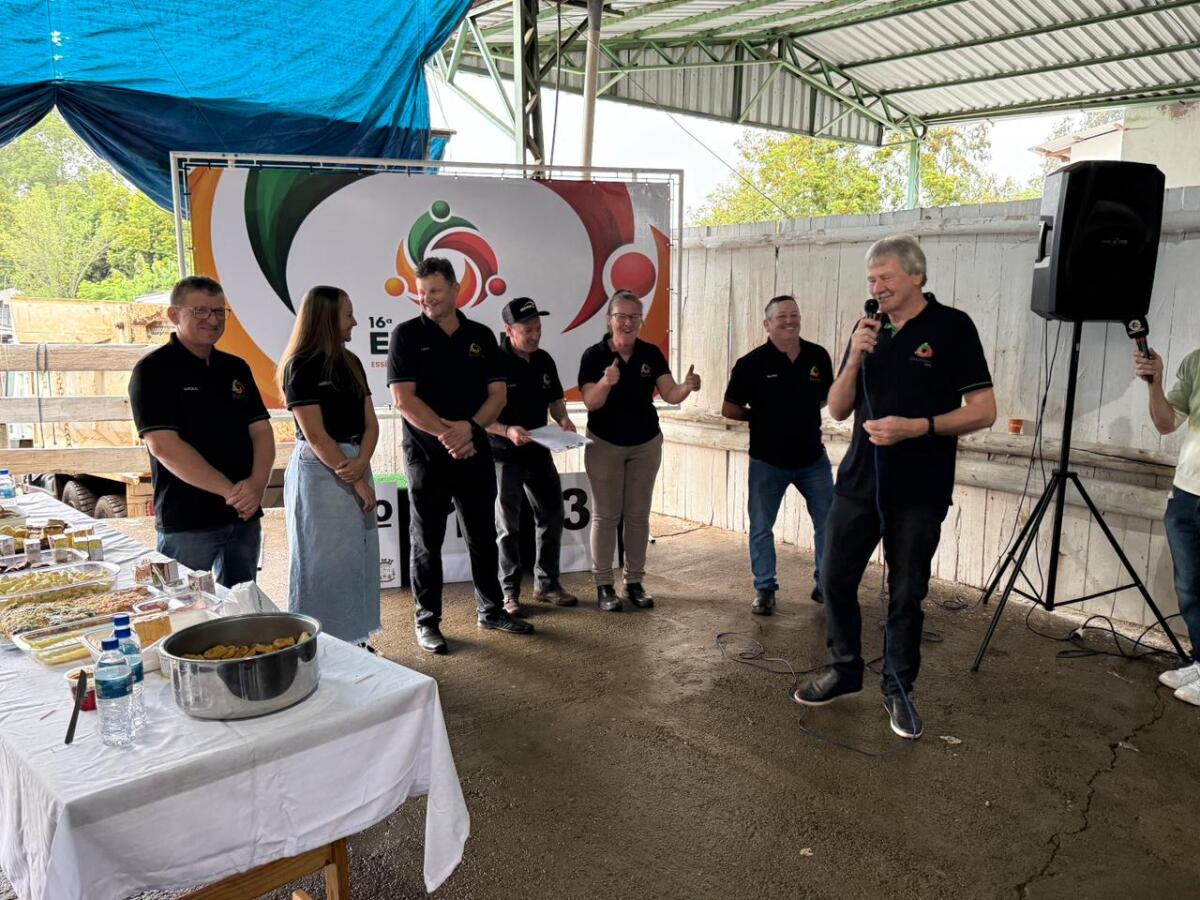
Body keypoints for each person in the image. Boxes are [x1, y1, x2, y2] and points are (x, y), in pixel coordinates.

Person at [792, 235, 996, 741]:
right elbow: (838, 408)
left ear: (916, 276)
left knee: (905, 593)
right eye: (871, 280)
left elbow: (984, 411)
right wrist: (855, 358)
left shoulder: (953, 327)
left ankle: (899, 688)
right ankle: (844, 670)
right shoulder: (867, 329)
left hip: (920, 489)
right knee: (834, 578)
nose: (876, 287)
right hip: (858, 482)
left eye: (885, 277)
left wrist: (918, 427)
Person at [387, 257, 534, 654]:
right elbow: (403, 400)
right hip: (426, 457)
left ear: (455, 289)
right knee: (427, 541)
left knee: (482, 535)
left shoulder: (481, 336)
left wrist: (469, 430)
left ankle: (491, 610)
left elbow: (497, 396)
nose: (427, 299)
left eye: (434, 291)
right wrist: (448, 435)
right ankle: (427, 620)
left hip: (474, 452)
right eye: (421, 293)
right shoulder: (405, 335)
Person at [128, 276, 274, 588]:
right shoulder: (153, 370)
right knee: (182, 605)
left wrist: (257, 485)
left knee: (244, 603)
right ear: (174, 315)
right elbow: (163, 445)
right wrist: (231, 492)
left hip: (244, 516)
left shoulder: (235, 367)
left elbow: (261, 431)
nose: (212, 320)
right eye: (200, 311)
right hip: (188, 521)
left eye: (220, 311)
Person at [578, 289, 701, 611]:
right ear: (609, 319)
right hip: (604, 444)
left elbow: (670, 394)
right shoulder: (593, 356)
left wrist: (687, 387)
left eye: (635, 317)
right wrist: (606, 382)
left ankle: (634, 582)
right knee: (606, 516)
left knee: (637, 516)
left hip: (645, 443)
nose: (628, 322)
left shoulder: (650, 353)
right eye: (621, 316)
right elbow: (591, 402)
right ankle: (604, 585)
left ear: (641, 321)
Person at [278, 285, 380, 648]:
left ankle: (355, 637)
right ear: (325, 319)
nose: (354, 322)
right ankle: (317, 642)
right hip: (322, 469)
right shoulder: (300, 366)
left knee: (357, 558)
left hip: (354, 462)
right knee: (321, 561)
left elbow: (371, 423)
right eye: (347, 314)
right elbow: (316, 435)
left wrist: (361, 463)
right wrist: (353, 476)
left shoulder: (351, 362)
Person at [723, 295, 834, 615]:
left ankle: (825, 584)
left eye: (794, 315)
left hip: (813, 460)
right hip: (767, 461)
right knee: (761, 527)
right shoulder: (751, 364)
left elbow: (826, 398)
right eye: (782, 316)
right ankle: (765, 588)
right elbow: (729, 408)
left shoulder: (817, 356)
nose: (789, 321)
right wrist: (759, 418)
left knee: (829, 523)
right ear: (767, 324)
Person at [486, 297, 579, 615]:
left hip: (540, 451)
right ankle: (509, 592)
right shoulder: (494, 362)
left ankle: (547, 584)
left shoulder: (544, 360)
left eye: (538, 328)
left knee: (552, 516)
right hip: (504, 455)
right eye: (528, 330)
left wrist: (563, 419)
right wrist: (507, 430)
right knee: (508, 526)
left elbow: (555, 400)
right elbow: (480, 417)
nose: (535, 335)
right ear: (509, 330)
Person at [1135, 342, 1200, 706]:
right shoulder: (1196, 361)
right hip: (1187, 492)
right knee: (1190, 588)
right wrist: (1155, 381)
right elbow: (1166, 423)